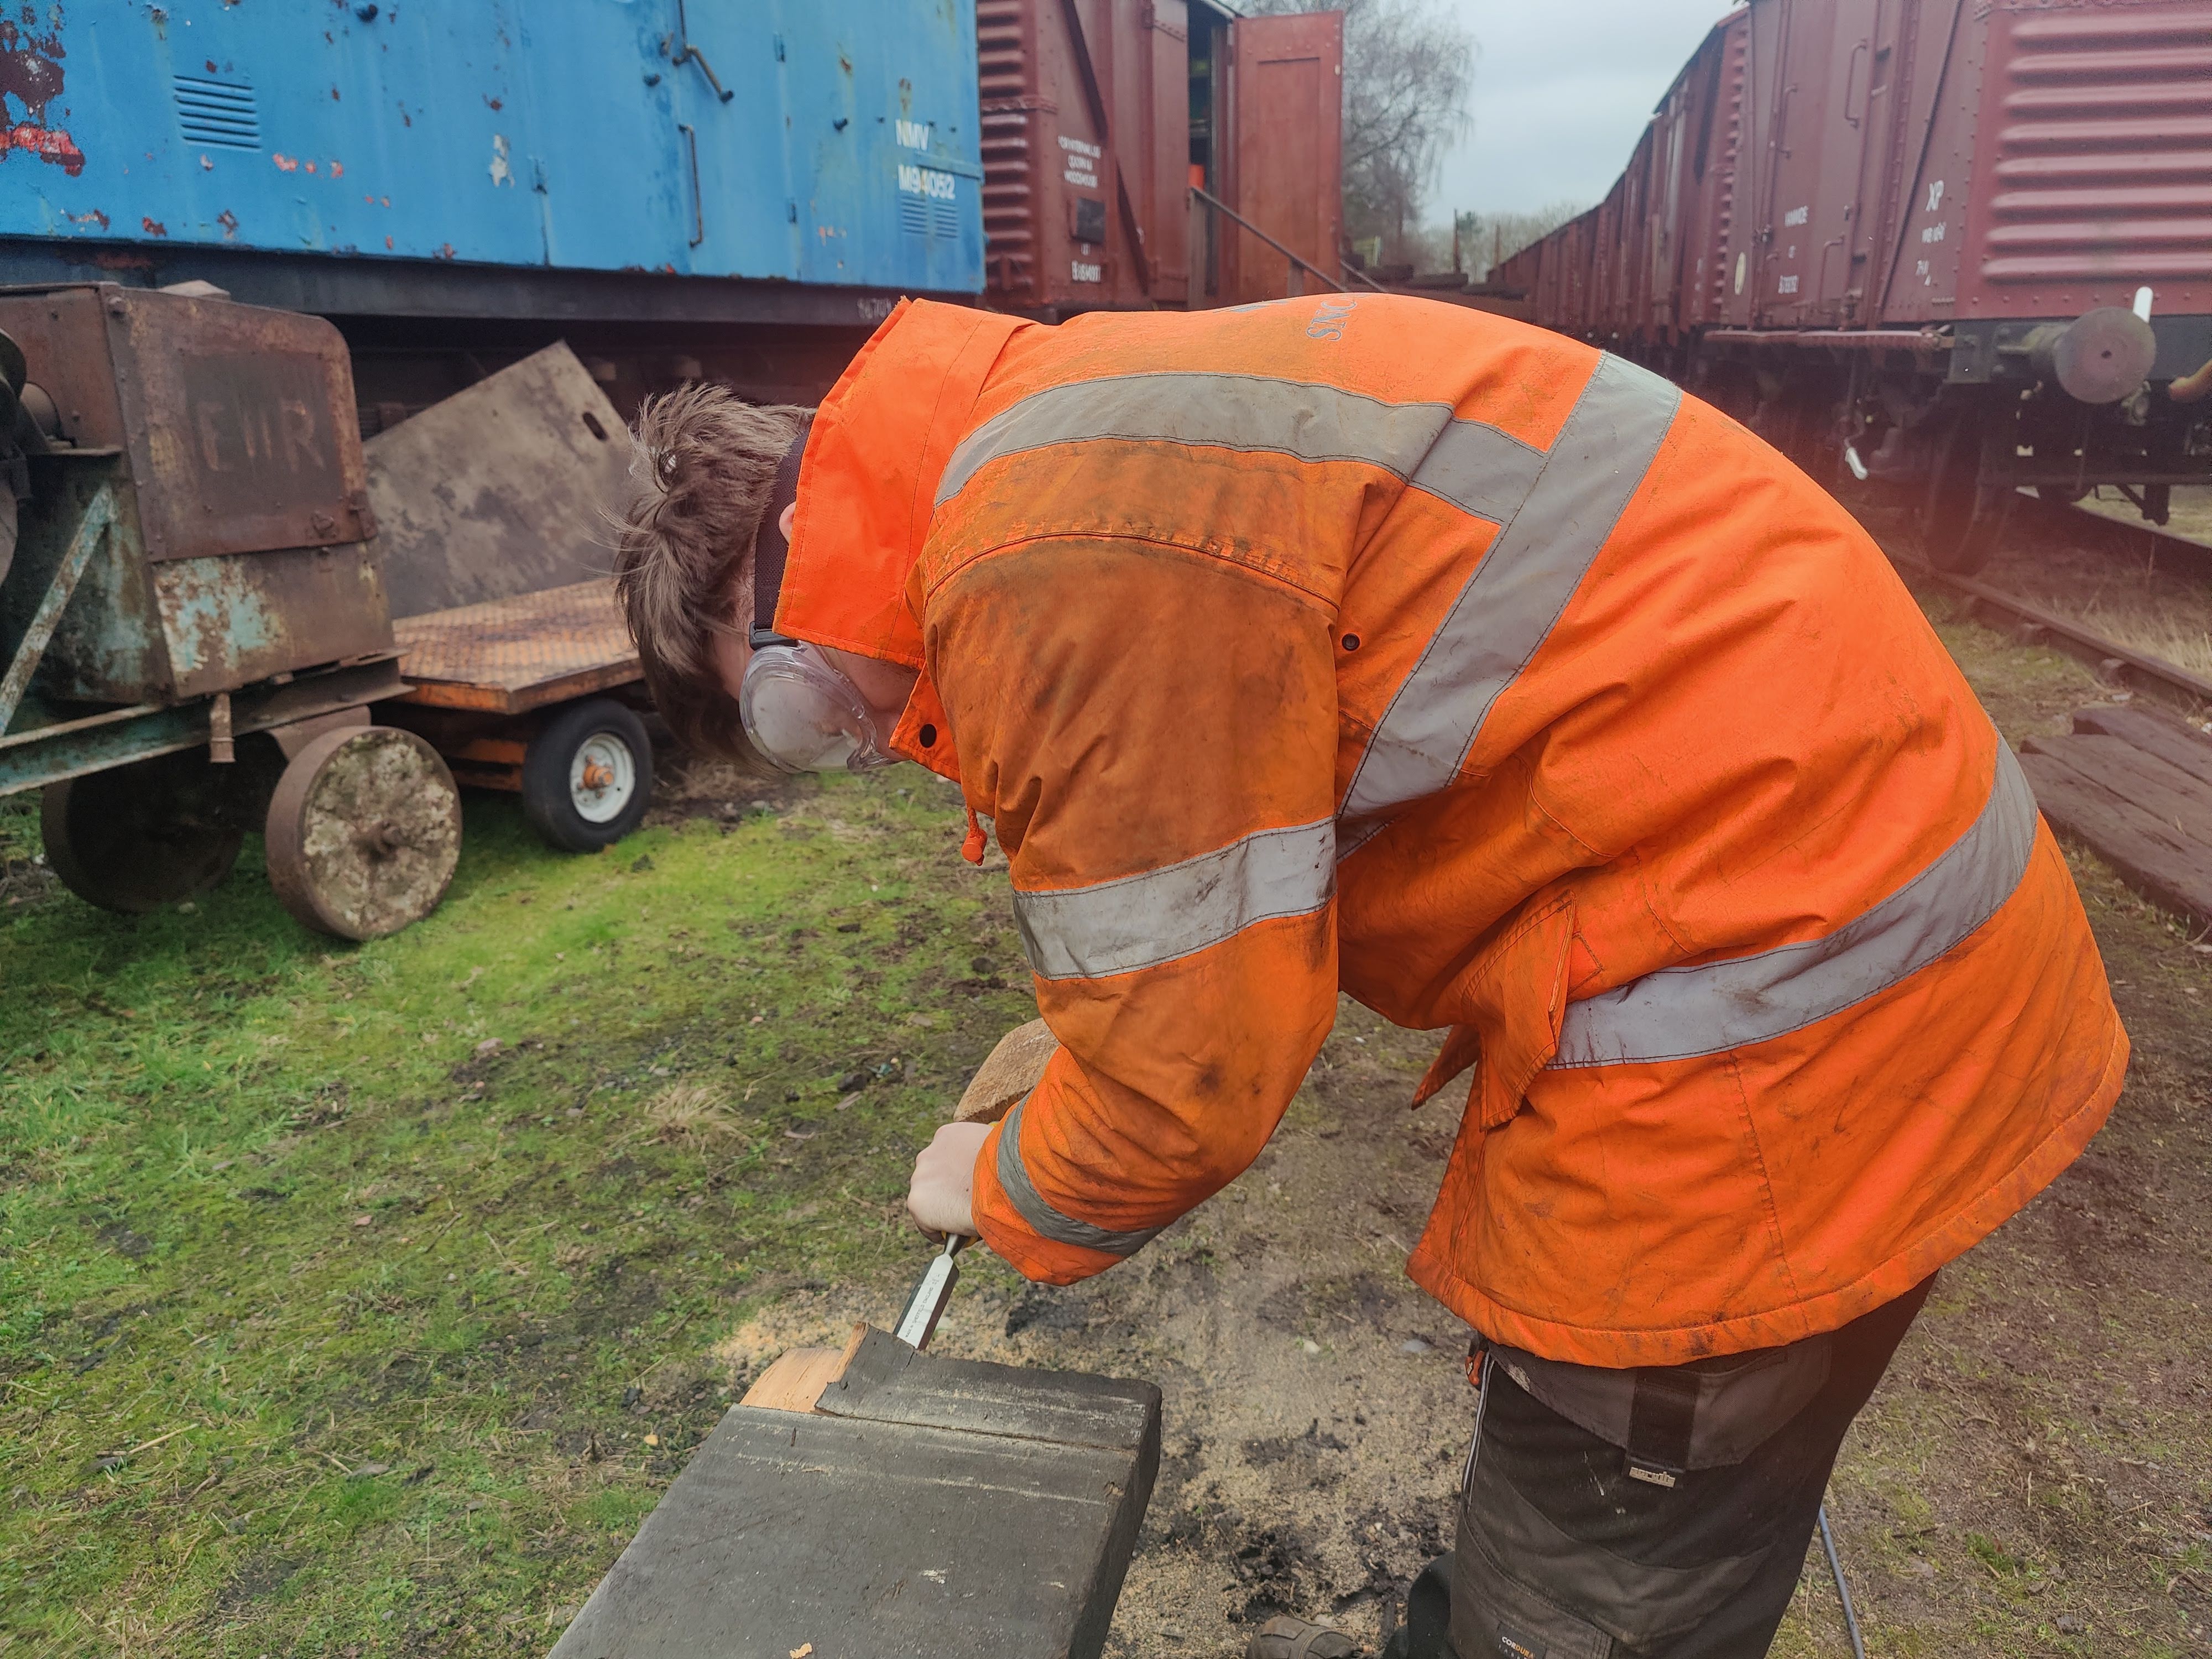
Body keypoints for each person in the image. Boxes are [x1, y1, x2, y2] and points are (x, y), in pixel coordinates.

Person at [613, 295, 2126, 1658]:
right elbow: (1214, 890)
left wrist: (996, 1184)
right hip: (1830, 907)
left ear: (802, 547)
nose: (866, 742)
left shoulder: (1034, 557)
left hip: (1786, 998)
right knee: (1651, 1525)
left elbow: (1187, 1086)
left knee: (1593, 1582)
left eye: (800, 705)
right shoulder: (1058, 443)